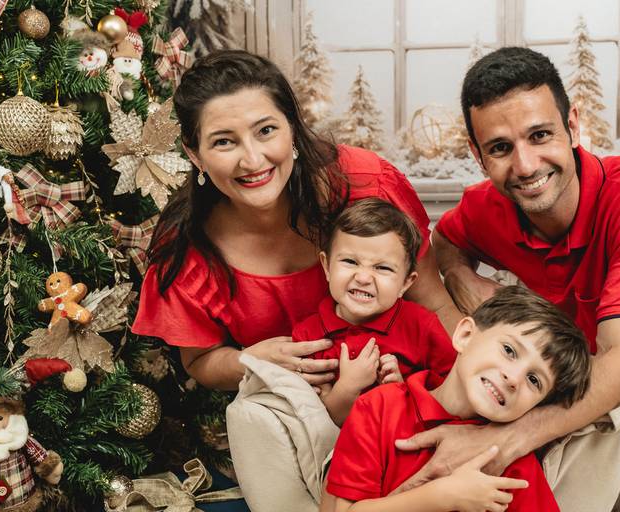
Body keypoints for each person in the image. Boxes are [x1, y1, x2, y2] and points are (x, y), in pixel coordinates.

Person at [397, 46, 620, 511]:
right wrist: (458, 274)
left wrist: (505, 439)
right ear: (477, 154)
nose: (525, 166)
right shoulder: (487, 207)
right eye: (500, 148)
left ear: (573, 126)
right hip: (584, 395)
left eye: (540, 135)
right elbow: (443, 241)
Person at [131, 50, 460, 393]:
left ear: (292, 127)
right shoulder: (188, 250)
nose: (253, 159)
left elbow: (436, 305)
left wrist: (458, 410)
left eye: (266, 130)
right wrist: (251, 362)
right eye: (224, 141)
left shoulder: (366, 185)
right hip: (292, 417)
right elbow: (201, 360)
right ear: (195, 154)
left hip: (408, 398)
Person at [320, 286, 591, 512]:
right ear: (465, 336)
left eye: (534, 380)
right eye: (509, 350)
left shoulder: (512, 462)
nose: (514, 378)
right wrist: (441, 496)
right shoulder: (380, 407)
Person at [292, 198, 456, 425]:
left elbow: (453, 393)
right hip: (343, 448)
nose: (363, 277)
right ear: (327, 267)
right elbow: (323, 424)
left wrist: (403, 390)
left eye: (382, 268)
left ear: (406, 284)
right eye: (350, 261)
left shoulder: (421, 325)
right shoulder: (309, 336)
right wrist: (348, 386)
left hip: (408, 441)